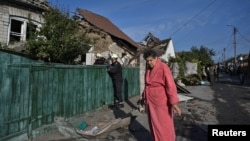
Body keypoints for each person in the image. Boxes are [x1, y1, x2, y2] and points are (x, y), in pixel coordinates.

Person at [141, 49, 181, 141]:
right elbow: (147, 85)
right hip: (151, 102)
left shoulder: (163, 67)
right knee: (153, 123)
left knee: (163, 125)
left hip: (161, 102)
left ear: (156, 58)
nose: (149, 62)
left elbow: (170, 85)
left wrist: (174, 103)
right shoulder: (148, 69)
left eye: (151, 60)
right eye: (147, 61)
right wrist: (144, 97)